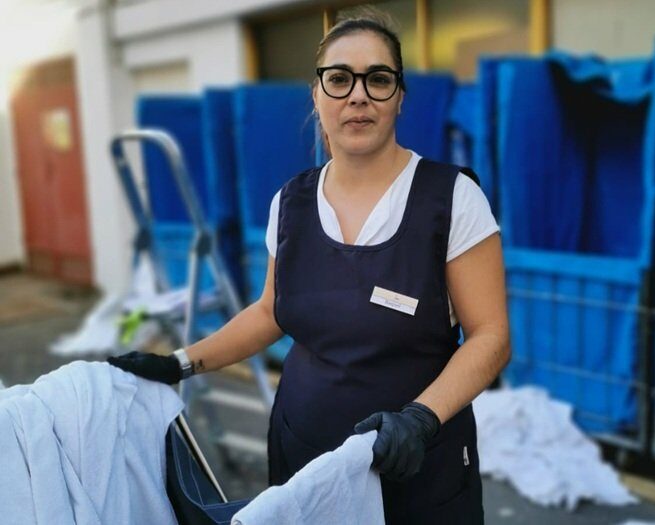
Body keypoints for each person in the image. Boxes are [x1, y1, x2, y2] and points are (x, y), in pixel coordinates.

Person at [109, 9, 510, 524]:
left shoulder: (451, 198)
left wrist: (420, 419)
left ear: (400, 97)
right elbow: (269, 312)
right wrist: (178, 364)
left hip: (415, 466)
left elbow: (491, 336)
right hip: (305, 465)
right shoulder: (291, 202)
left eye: (378, 79)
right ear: (317, 95)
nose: (358, 96)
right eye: (339, 79)